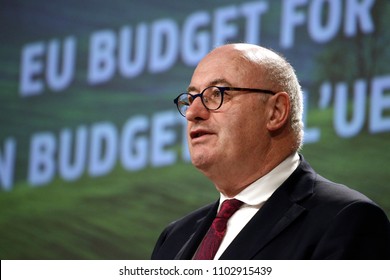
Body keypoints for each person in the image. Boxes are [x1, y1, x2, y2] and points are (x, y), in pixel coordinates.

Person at [151, 43, 390, 260]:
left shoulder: (347, 220)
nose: (193, 112)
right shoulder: (174, 238)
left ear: (276, 111)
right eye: (190, 99)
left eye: (217, 94)